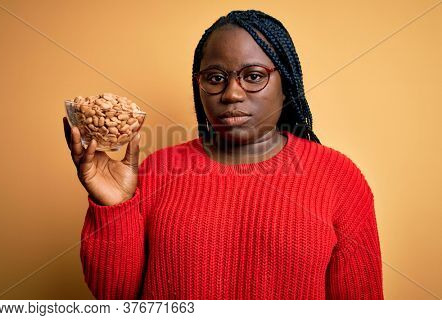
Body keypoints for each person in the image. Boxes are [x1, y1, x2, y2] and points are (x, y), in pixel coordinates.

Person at [63, 9, 384, 300]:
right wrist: (116, 206)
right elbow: (116, 298)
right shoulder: (157, 170)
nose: (231, 93)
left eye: (254, 76)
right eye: (215, 78)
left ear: (286, 84)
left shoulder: (338, 176)